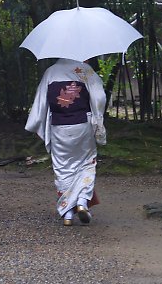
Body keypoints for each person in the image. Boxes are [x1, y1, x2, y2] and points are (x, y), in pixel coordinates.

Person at [25, 57, 107, 227]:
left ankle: (68, 213)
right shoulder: (84, 69)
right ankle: (82, 202)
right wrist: (98, 118)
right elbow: (99, 96)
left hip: (59, 126)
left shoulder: (51, 72)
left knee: (62, 167)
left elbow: (41, 102)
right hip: (82, 124)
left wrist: (36, 124)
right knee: (86, 163)